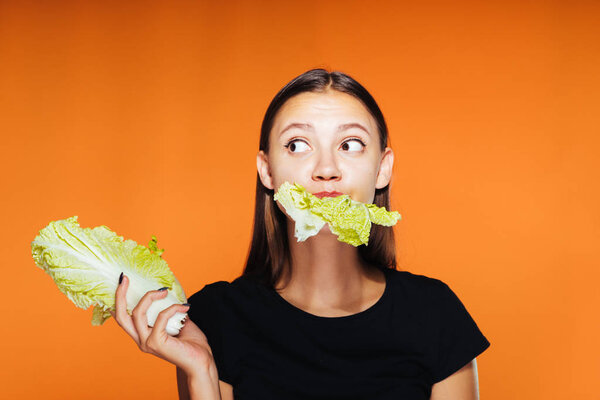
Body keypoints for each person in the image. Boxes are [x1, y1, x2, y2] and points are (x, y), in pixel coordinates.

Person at [111, 68, 491, 400]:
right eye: (297, 145)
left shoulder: (435, 315)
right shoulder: (215, 320)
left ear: (383, 169)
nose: (326, 169)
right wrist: (202, 374)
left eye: (350, 145)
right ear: (267, 172)